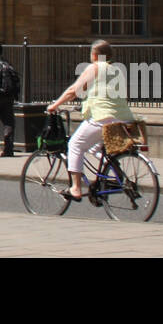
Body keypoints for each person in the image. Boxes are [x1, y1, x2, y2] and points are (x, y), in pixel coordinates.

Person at [46, 39, 135, 203]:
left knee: (75, 145)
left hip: (103, 117)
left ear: (94, 55)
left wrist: (55, 105)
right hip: (124, 118)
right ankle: (119, 175)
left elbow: (73, 91)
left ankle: (76, 188)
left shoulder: (94, 67)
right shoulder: (115, 70)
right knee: (95, 148)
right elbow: (101, 92)